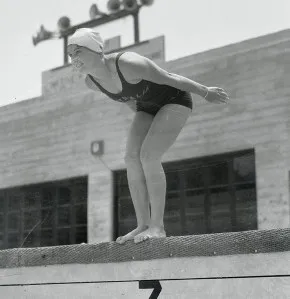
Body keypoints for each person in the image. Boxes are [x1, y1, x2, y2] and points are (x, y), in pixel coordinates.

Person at [67, 28, 229, 245]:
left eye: (77, 51)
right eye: (70, 54)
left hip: (175, 99)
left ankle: (157, 227)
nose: (73, 59)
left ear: (96, 50)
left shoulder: (128, 64)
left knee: (149, 156)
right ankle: (143, 224)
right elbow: (127, 99)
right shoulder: (91, 82)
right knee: (130, 158)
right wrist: (144, 119)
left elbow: (170, 78)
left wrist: (205, 91)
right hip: (147, 107)